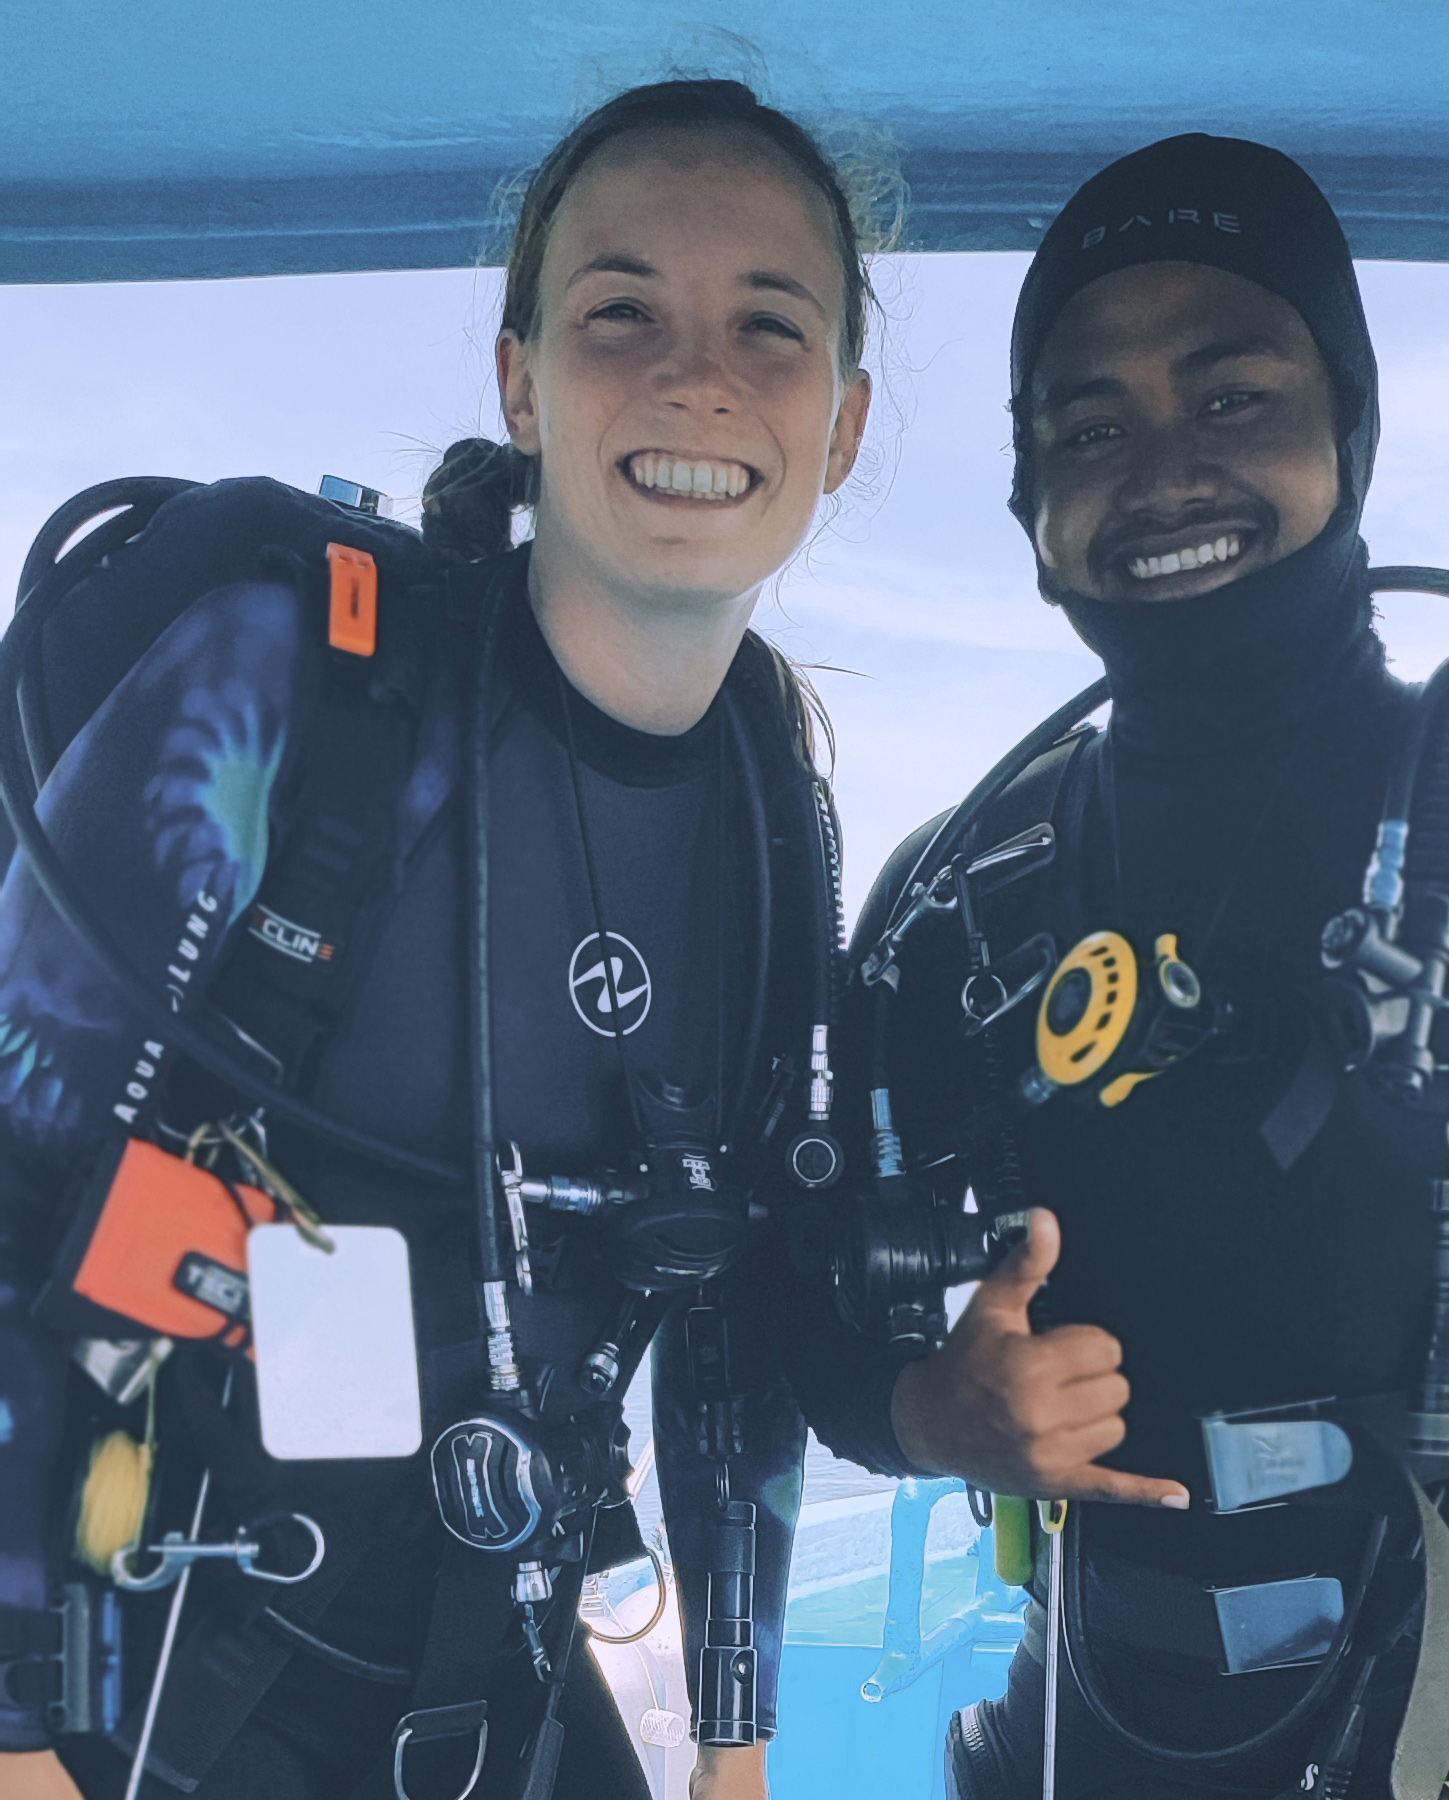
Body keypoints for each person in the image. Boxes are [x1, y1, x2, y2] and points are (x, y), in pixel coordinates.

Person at [819, 134, 1449, 1799]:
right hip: (1093, 1730)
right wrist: (930, 1416)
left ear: (1349, 426)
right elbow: (799, 1316)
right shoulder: (955, 910)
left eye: (1234, 397)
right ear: (1027, 506)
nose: (1163, 471)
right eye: (1090, 425)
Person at [0, 78, 881, 1800]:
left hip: (505, 1700)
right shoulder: (296, 673)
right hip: (139, 1696)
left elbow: (729, 1313)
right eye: (620, 309)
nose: (696, 375)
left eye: (767, 325)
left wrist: (734, 1738)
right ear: (520, 377)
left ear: (841, 427)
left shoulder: (778, 816)